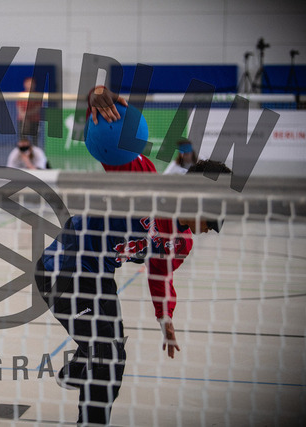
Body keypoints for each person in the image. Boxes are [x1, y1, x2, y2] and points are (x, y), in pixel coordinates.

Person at [36, 85, 231, 425]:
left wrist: (165, 318)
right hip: (63, 267)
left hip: (98, 277)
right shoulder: (145, 184)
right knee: (107, 355)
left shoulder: (180, 243)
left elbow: (160, 273)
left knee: (114, 352)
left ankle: (79, 367)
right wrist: (98, 96)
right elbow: (112, 142)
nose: (208, 229)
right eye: (211, 220)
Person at [16, 77, 42, 145]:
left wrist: (27, 114)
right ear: (24, 84)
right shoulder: (21, 95)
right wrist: (24, 117)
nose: (30, 85)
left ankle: (34, 150)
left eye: (31, 84)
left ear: (34, 85)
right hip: (22, 120)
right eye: (28, 84)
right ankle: (24, 150)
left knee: (35, 139)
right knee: (23, 139)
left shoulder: (38, 95)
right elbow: (19, 107)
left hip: (34, 120)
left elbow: (37, 108)